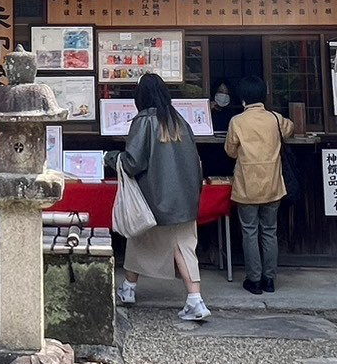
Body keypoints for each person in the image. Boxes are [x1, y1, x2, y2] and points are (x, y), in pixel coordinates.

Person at [108, 72, 209, 321]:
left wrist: (110, 157)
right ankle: (191, 298)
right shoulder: (178, 121)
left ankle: (133, 290)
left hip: (154, 198)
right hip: (184, 198)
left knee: (140, 238)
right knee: (183, 245)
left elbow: (132, 162)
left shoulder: (143, 121)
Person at [224, 75, 295, 294]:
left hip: (247, 186)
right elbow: (290, 129)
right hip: (273, 185)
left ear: (242, 98)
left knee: (249, 232)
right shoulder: (275, 118)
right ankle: (270, 280)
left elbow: (230, 151)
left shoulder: (237, 121)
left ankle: (253, 280)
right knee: (270, 231)